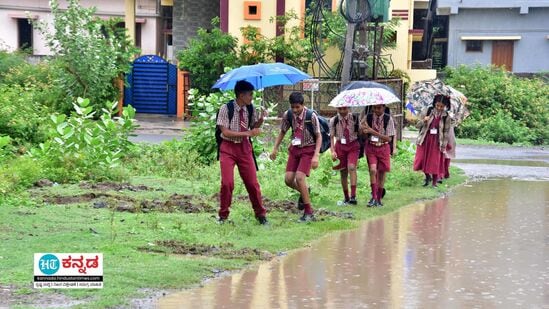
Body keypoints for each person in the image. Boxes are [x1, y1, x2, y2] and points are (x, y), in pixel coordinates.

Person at [216, 80, 268, 225]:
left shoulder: (250, 109)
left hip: (244, 148)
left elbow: (253, 127)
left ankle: (261, 215)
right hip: (228, 148)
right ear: (241, 95)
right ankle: (223, 216)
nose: (252, 97)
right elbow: (225, 131)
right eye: (250, 94)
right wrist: (248, 133)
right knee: (227, 183)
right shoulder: (226, 109)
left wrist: (261, 119)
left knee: (252, 184)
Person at [270, 92, 321, 222]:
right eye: (293, 107)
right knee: (288, 180)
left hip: (308, 149)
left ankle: (309, 212)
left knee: (299, 177)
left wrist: (316, 155)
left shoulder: (311, 116)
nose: (295, 110)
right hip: (294, 149)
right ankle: (305, 190)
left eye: (297, 107)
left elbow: (318, 136)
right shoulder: (288, 115)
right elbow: (282, 131)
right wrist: (275, 148)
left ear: (303, 105)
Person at [359, 104, 396, 207]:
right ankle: (374, 197)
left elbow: (389, 139)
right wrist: (363, 130)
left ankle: (379, 198)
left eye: (379, 108)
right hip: (371, 147)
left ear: (384, 107)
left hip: (384, 148)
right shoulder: (368, 117)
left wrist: (372, 131)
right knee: (373, 170)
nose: (376, 110)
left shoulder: (388, 119)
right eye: (374, 108)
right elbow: (365, 136)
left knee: (381, 173)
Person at [413, 94, 452, 187]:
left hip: (437, 142)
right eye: (437, 105)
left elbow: (446, 132)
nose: (439, 108)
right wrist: (424, 121)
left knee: (434, 162)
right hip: (425, 139)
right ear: (434, 103)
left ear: (445, 106)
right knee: (421, 159)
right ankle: (427, 178)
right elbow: (417, 125)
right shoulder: (428, 111)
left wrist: (444, 146)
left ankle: (434, 183)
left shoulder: (446, 116)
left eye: (441, 106)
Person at [330, 107, 361, 205]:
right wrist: (333, 151)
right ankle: (346, 197)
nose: (342, 111)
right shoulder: (333, 120)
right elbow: (331, 137)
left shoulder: (355, 118)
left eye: (344, 109)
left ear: (348, 108)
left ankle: (353, 196)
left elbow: (360, 133)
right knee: (343, 172)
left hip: (353, 145)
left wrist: (363, 128)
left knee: (352, 167)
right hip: (340, 146)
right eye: (340, 109)